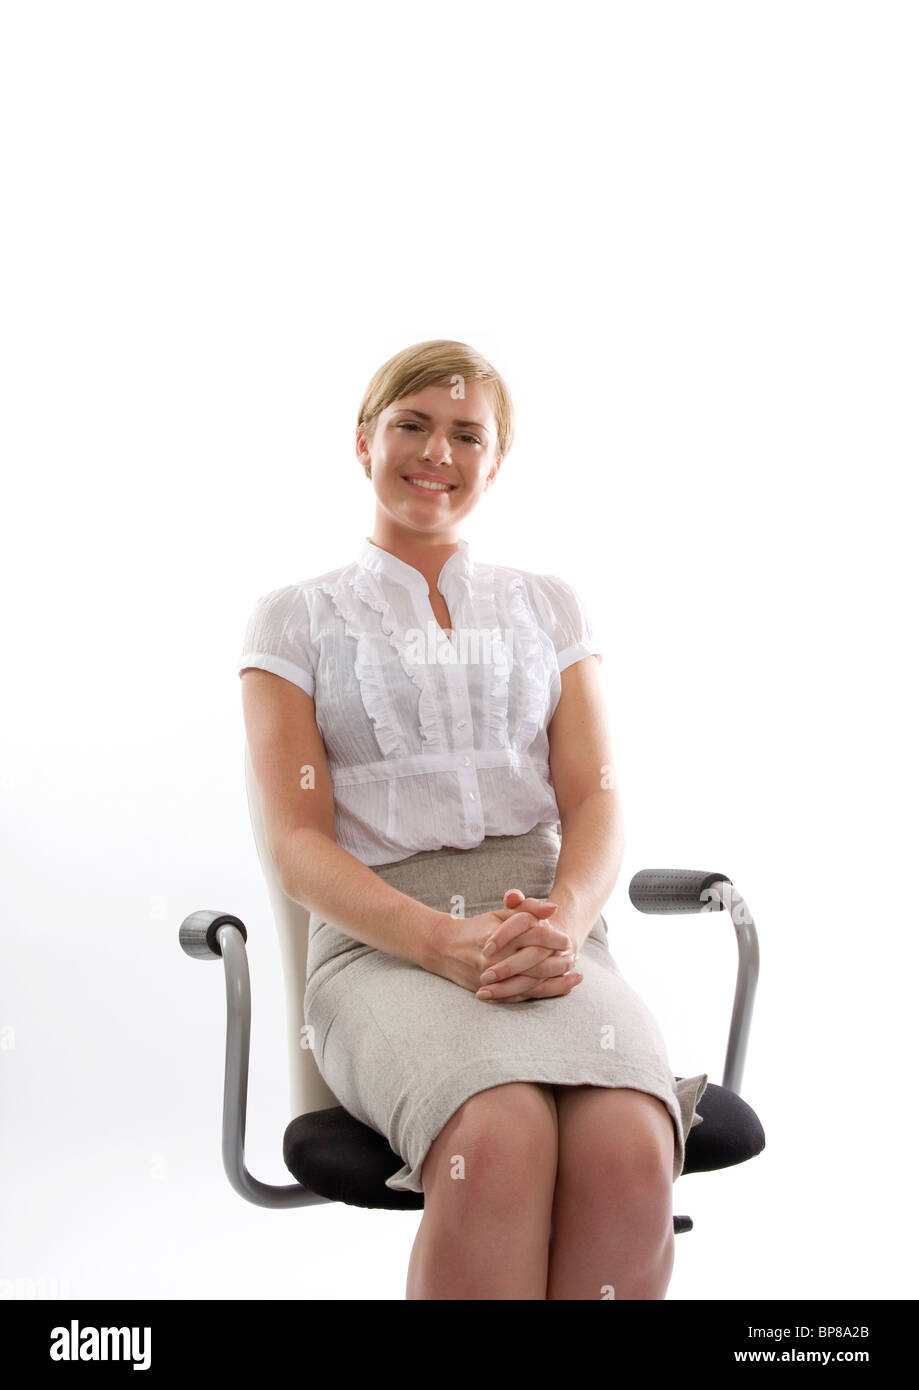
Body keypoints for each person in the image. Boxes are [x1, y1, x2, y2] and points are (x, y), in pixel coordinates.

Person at [238, 338, 707, 1300]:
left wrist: (561, 926)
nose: (437, 453)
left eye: (466, 435)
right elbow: (296, 844)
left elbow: (595, 798)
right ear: (363, 441)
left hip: (548, 930)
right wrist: (443, 942)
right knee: (499, 1135)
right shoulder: (295, 620)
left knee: (629, 1142)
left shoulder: (546, 605)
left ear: (494, 465)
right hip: (383, 945)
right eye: (411, 424)